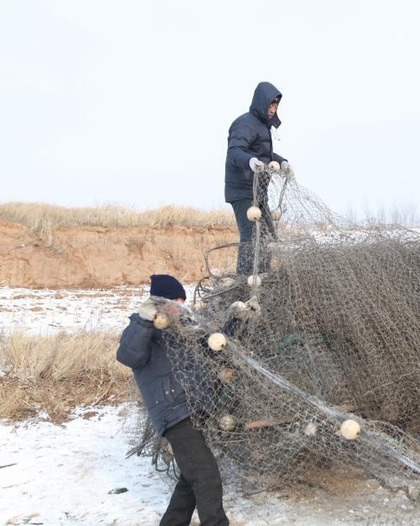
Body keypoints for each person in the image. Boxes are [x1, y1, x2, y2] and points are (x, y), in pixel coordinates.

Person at [117, 275, 229, 526]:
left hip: (195, 409)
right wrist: (144, 320)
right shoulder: (144, 332)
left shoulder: (183, 329)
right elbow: (127, 356)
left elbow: (214, 347)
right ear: (159, 302)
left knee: (190, 478)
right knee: (206, 475)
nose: (181, 304)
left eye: (182, 299)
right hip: (173, 412)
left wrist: (237, 318)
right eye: (175, 300)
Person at [225, 81, 289, 275]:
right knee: (251, 237)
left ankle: (262, 276)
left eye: (276, 106)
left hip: (258, 192)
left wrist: (282, 161)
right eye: (270, 105)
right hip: (243, 190)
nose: (273, 109)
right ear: (261, 103)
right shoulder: (245, 123)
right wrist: (250, 161)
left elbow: (264, 155)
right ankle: (244, 280)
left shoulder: (263, 126)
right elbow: (235, 151)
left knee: (268, 236)